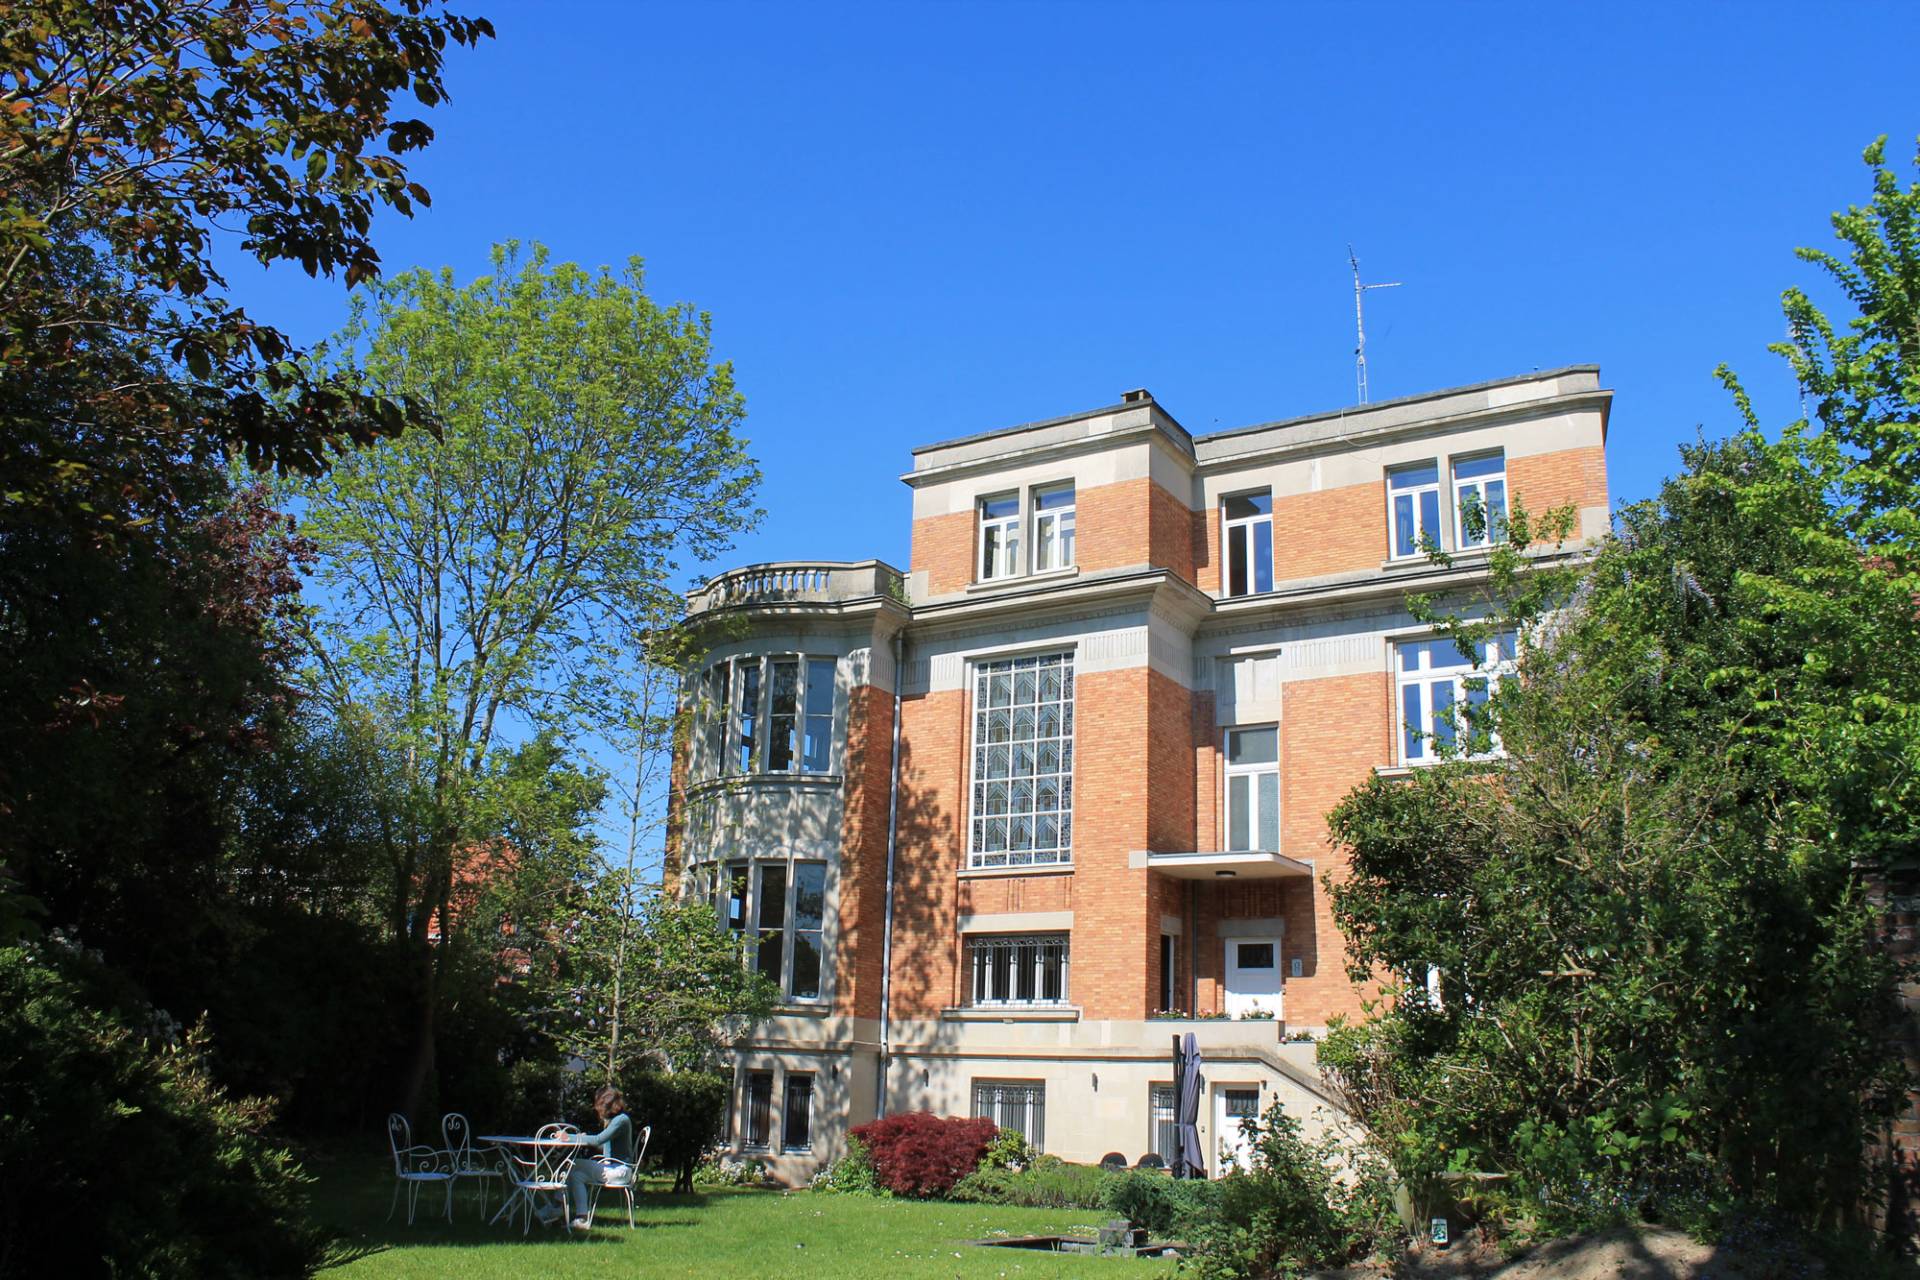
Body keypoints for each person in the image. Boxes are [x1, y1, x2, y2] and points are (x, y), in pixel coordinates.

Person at [566, 1084, 637, 1230]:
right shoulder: (617, 1120)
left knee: (572, 1164)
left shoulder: (621, 1120)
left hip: (619, 1171)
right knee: (576, 1175)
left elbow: (598, 1139)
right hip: (614, 1168)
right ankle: (582, 1217)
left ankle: (555, 1208)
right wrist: (583, 1139)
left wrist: (570, 1137)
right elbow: (604, 1146)